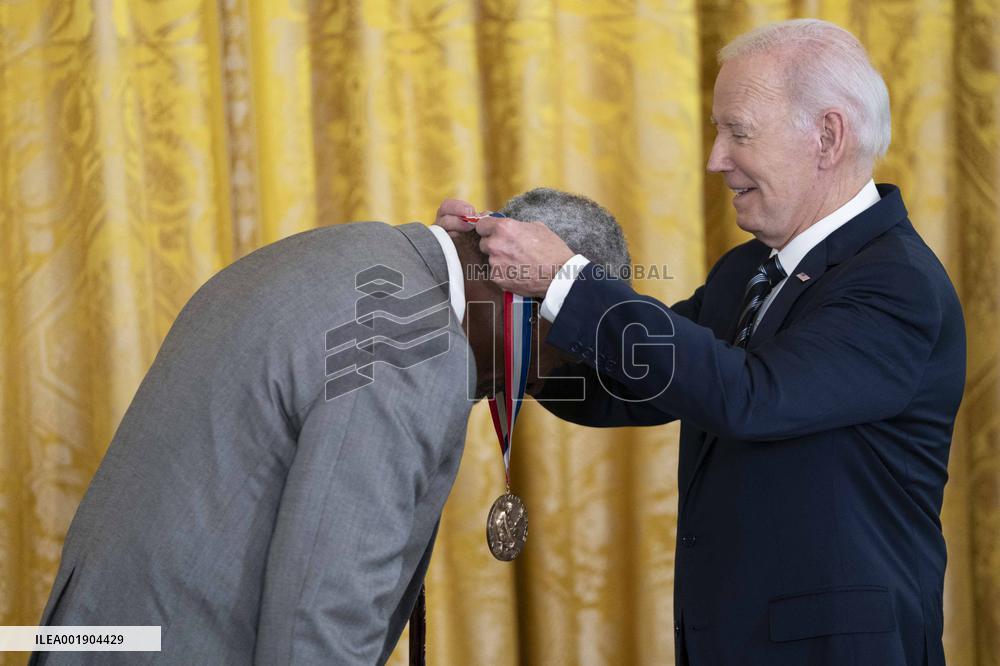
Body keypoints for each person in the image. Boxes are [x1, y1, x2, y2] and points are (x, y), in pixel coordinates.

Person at [437, 19, 965, 666]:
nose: (716, 159)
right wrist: (506, 317)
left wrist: (565, 279)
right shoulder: (747, 271)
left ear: (827, 137)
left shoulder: (896, 284)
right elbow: (631, 387)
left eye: (738, 132)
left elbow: (752, 397)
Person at [32, 188, 630, 665]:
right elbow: (322, 616)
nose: (529, 385)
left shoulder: (351, 250)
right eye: (562, 356)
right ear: (529, 292)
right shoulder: (417, 348)